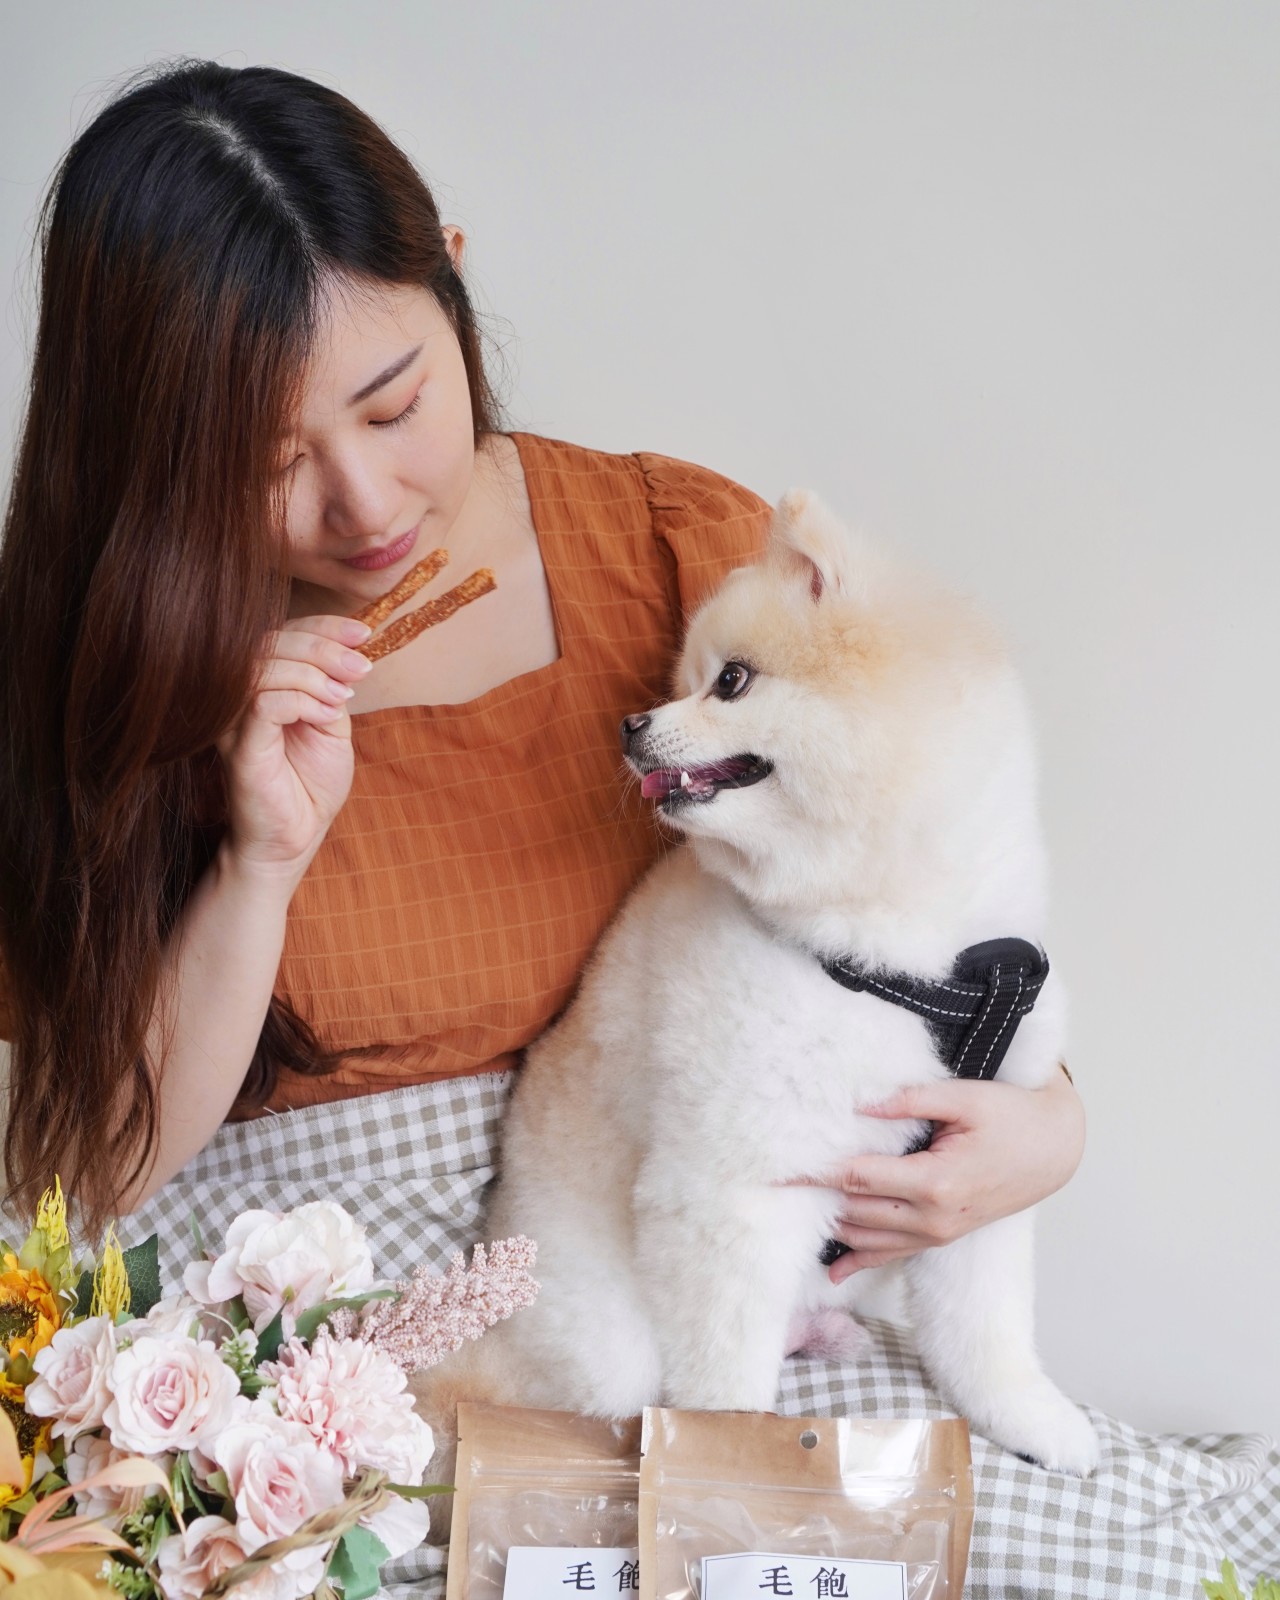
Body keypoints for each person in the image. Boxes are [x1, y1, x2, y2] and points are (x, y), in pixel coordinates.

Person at [0, 61, 1081, 1299]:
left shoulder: (673, 557)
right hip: (290, 1327)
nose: (364, 504)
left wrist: (1048, 1121)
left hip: (664, 1254)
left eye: (394, 405)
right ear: (148, 451)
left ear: (453, 279)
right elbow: (92, 1171)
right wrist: (261, 864)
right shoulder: (98, 669)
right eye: (267, 461)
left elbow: (915, 889)